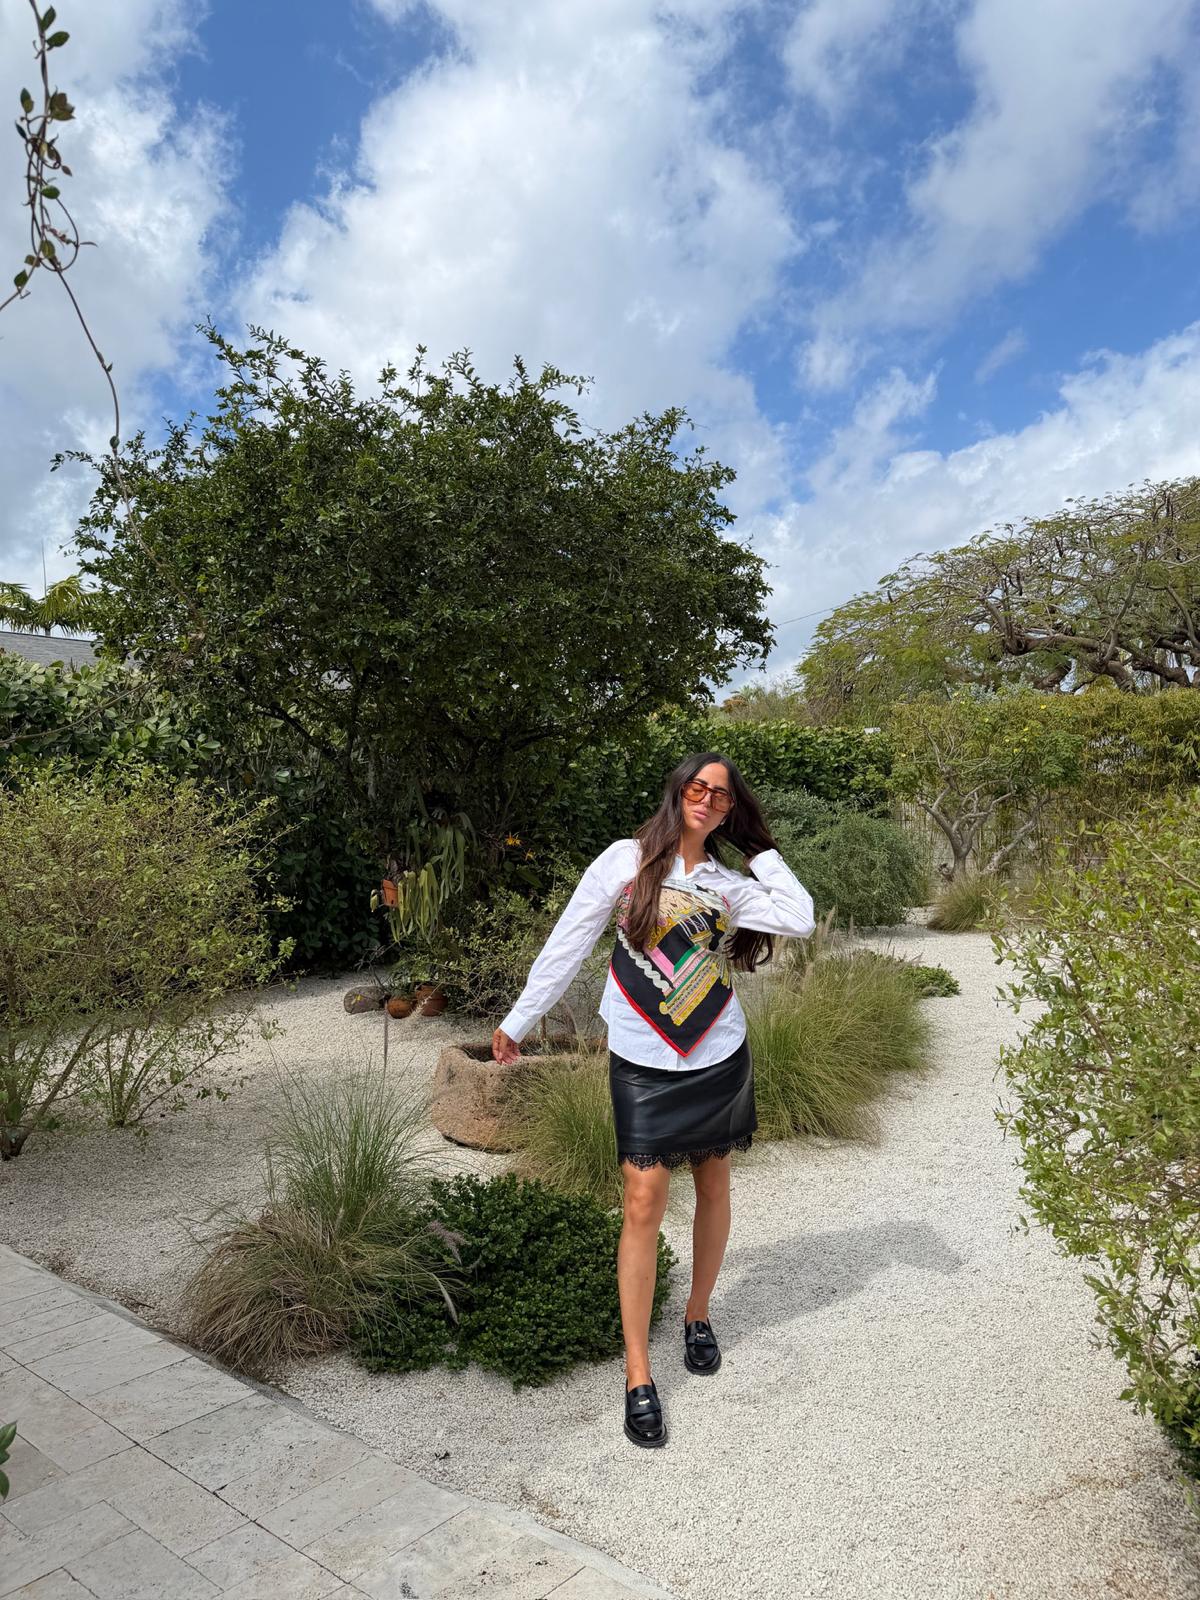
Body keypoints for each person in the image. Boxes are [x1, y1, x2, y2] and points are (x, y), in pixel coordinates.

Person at [492, 751, 814, 1448]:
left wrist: (758, 848)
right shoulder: (624, 862)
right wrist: (519, 1019)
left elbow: (801, 916)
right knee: (643, 1200)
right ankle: (638, 1371)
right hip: (641, 1054)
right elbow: (569, 942)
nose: (708, 799)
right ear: (677, 791)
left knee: (715, 1183)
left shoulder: (730, 884)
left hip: (717, 1050)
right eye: (700, 787)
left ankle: (698, 1313)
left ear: (730, 811)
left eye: (723, 796)